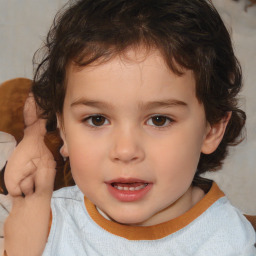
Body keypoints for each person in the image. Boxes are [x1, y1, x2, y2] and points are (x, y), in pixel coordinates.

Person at [4, 0, 256, 255]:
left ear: (211, 129)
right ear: (64, 129)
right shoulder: (43, 222)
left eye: (159, 120)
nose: (125, 151)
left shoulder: (228, 241)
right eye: (97, 120)